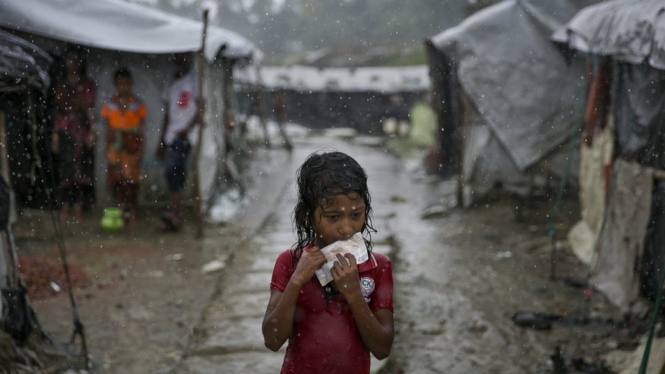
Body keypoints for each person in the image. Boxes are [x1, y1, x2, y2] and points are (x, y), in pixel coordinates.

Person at [262, 151, 394, 373]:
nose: (347, 228)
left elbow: (382, 348)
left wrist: (354, 294)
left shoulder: (377, 267)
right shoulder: (290, 262)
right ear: (307, 217)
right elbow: (272, 340)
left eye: (356, 215)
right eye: (333, 217)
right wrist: (296, 282)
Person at [156, 53, 200, 232]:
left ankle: (176, 213)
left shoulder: (194, 80)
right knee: (175, 174)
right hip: (172, 136)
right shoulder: (172, 82)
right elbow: (167, 113)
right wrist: (161, 139)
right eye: (178, 58)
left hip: (185, 137)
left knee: (172, 171)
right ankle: (176, 215)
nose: (181, 61)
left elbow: (201, 108)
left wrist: (188, 129)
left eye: (184, 58)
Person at [51, 48, 96, 221]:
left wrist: (92, 131)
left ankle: (78, 207)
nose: (73, 63)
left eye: (76, 60)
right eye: (70, 59)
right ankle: (64, 206)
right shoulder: (60, 84)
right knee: (65, 170)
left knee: (82, 171)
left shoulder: (87, 84)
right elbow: (56, 112)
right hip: (65, 130)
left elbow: (90, 109)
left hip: (82, 131)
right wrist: (55, 135)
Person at [100, 68, 146, 226]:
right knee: (115, 179)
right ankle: (120, 209)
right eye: (119, 84)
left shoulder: (137, 104)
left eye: (126, 83)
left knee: (132, 181)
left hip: (132, 145)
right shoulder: (109, 104)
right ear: (114, 85)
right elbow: (108, 128)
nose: (122, 87)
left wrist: (140, 150)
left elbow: (141, 129)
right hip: (115, 145)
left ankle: (132, 211)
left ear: (131, 84)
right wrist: (107, 148)